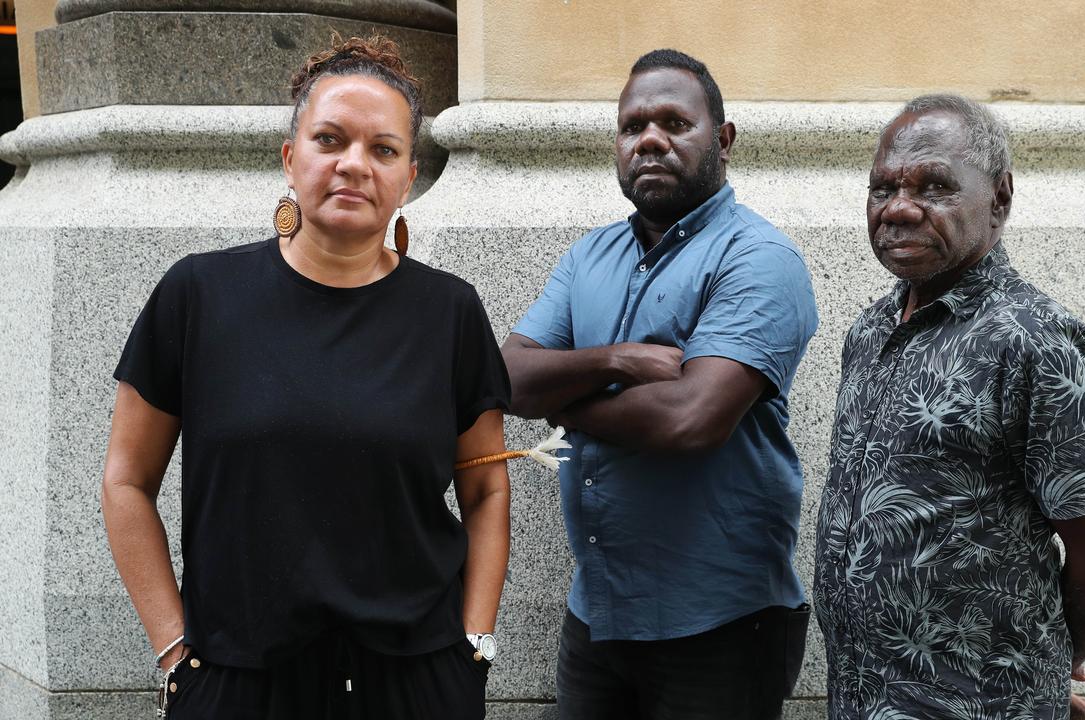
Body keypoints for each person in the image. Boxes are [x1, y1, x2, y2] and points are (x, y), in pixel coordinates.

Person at [101, 35, 511, 719]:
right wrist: (175, 654)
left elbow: (487, 485)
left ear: (409, 176)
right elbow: (125, 481)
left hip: (417, 682)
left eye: (382, 149)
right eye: (330, 140)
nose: (354, 164)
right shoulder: (198, 295)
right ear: (291, 159)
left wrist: (475, 643)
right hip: (238, 680)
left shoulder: (450, 311)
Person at [502, 49, 819, 720]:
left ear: (723, 141)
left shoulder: (758, 259)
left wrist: (562, 403)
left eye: (675, 122)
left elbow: (690, 420)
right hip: (597, 616)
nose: (649, 138)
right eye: (633, 125)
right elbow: (507, 378)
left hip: (719, 627)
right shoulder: (589, 256)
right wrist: (618, 361)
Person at [814, 94, 1085, 720]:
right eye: (882, 187)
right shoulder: (870, 330)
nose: (899, 207)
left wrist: (1034, 676)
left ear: (1000, 198)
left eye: (934, 187)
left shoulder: (1036, 342)